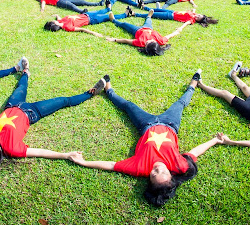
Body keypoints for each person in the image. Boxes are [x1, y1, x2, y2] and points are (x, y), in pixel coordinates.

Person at [69, 72, 224, 207]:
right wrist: (214, 141)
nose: (157, 168)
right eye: (162, 171)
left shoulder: (139, 168)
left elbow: (111, 165)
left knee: (128, 106)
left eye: (154, 174)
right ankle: (193, 84)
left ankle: (108, 90)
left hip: (146, 124)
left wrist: (84, 162)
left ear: (149, 179)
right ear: (171, 174)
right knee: (180, 104)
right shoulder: (179, 165)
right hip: (170, 123)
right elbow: (195, 152)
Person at [0, 62, 106, 172]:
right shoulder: (12, 149)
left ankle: (25, 71)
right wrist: (65, 155)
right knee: (64, 101)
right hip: (32, 112)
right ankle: (91, 93)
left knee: (22, 86)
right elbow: (39, 152)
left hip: (12, 105)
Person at [104, 9, 190, 56]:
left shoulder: (140, 42)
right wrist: (177, 31)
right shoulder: (161, 41)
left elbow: (126, 40)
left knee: (124, 24)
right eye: (150, 42)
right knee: (148, 21)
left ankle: (113, 20)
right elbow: (170, 36)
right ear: (155, 42)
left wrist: (114, 39)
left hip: (137, 30)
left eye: (146, 44)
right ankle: (149, 16)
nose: (147, 41)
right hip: (149, 28)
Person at [43, 9, 129, 34]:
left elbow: (58, 17)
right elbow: (82, 30)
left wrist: (56, 15)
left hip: (87, 14)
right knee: (108, 17)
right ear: (55, 23)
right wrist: (95, 33)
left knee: (101, 11)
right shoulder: (67, 27)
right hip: (91, 20)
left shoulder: (60, 21)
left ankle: (108, 8)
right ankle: (125, 15)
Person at [129, 8, 218, 28]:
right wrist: (194, 7)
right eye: (199, 15)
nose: (197, 16)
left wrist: (179, 28)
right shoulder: (194, 14)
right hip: (172, 11)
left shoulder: (192, 20)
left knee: (153, 14)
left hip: (171, 16)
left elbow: (185, 24)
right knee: (157, 9)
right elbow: (194, 11)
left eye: (198, 17)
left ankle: (134, 14)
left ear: (198, 21)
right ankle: (143, 6)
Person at [36, 0, 106, 13]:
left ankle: (99, 3)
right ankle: (82, 11)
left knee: (82, 2)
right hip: (59, 2)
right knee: (72, 6)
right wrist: (42, 9)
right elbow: (43, 4)